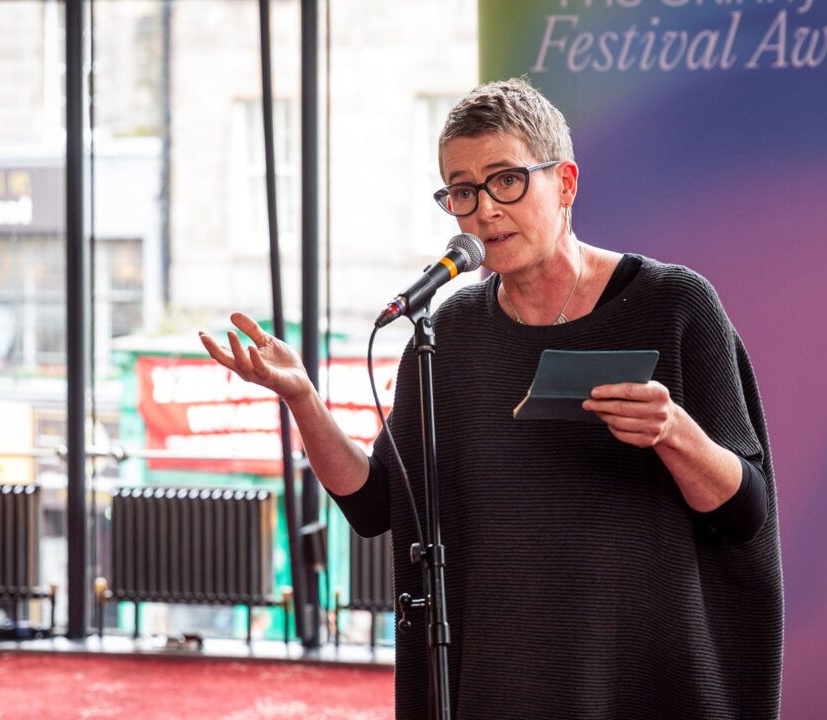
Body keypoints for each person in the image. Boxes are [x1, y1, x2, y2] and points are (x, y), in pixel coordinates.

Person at [201, 77, 783, 719]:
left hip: (640, 674)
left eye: (506, 180)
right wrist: (304, 398)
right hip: (502, 676)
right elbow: (374, 503)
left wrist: (673, 431)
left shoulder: (674, 305)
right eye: (462, 190)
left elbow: (744, 511)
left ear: (565, 184)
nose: (483, 210)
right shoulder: (449, 331)